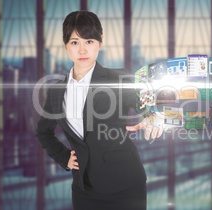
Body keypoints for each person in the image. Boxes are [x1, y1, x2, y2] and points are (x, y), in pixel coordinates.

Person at [36, 10, 162, 210]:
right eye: (75, 42)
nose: (83, 50)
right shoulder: (56, 91)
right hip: (84, 189)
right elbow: (43, 131)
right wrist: (65, 158)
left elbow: (147, 105)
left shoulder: (118, 79)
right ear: (66, 45)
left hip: (125, 186)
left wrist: (152, 117)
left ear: (100, 42)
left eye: (89, 41)